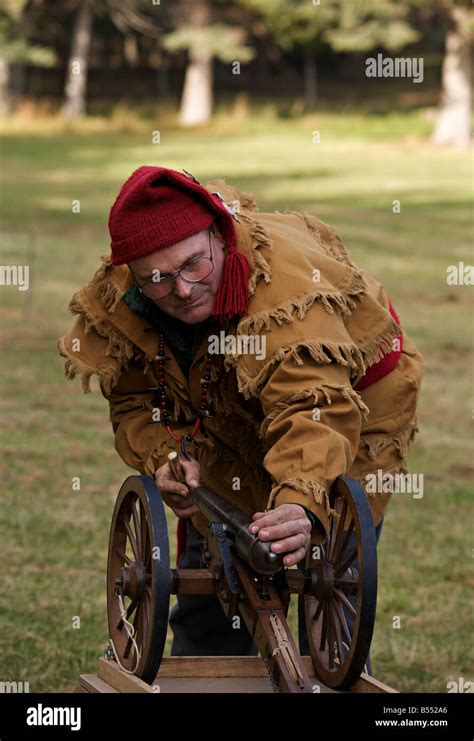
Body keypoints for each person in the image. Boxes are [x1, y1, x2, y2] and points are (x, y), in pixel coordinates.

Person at [57, 166, 424, 663]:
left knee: (327, 563)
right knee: (220, 535)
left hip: (352, 396)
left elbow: (314, 406)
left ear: (219, 237)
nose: (183, 290)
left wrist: (299, 503)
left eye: (194, 266)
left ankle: (328, 664)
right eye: (159, 280)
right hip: (229, 399)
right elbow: (133, 400)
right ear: (134, 275)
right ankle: (210, 657)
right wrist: (165, 456)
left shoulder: (286, 295)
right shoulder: (121, 298)